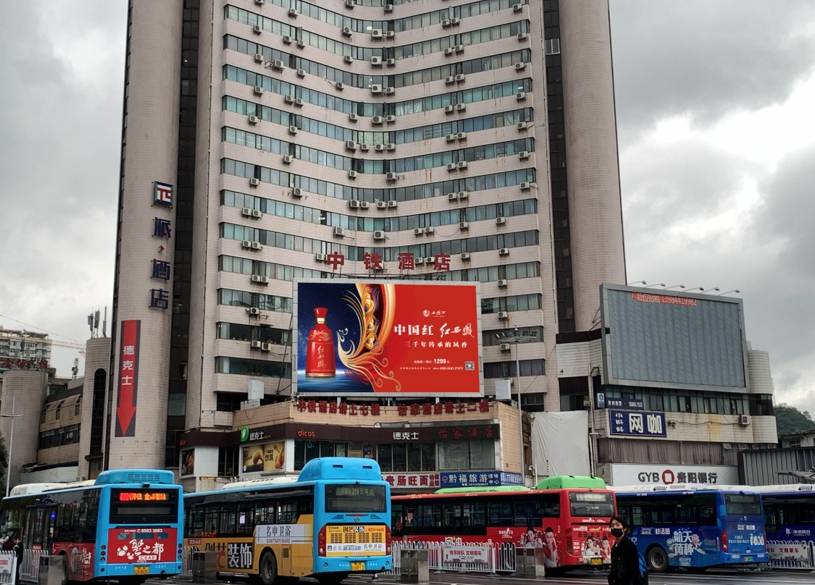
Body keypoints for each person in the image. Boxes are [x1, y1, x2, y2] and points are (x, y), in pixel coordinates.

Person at [608, 517, 647, 585]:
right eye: (612, 525)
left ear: (624, 528)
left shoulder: (629, 545)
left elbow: (633, 569)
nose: (614, 527)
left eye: (617, 525)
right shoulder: (615, 547)